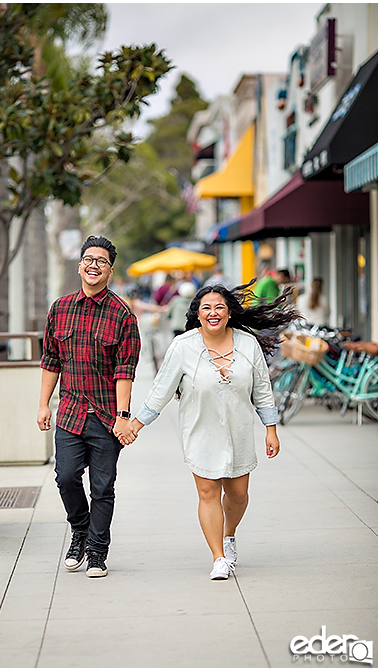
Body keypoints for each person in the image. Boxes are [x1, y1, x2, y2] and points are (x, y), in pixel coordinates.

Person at [127, 283, 300, 580]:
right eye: (206, 308)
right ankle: (219, 557)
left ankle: (229, 534)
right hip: (200, 429)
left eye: (219, 307)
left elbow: (262, 390)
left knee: (239, 494)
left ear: (229, 312)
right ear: (198, 314)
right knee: (208, 492)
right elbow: (161, 391)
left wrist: (271, 429)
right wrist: (137, 424)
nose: (213, 313)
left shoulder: (248, 345)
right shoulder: (183, 346)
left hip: (239, 429)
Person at [36, 236, 141, 578]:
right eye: (88, 259)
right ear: (79, 265)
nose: (93, 265)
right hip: (69, 411)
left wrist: (123, 416)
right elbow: (51, 359)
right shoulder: (60, 308)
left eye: (101, 261)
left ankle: (97, 551)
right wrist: (43, 405)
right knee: (65, 477)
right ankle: (80, 530)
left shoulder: (122, 314)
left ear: (110, 270)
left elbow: (126, 369)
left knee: (102, 487)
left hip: (107, 417)